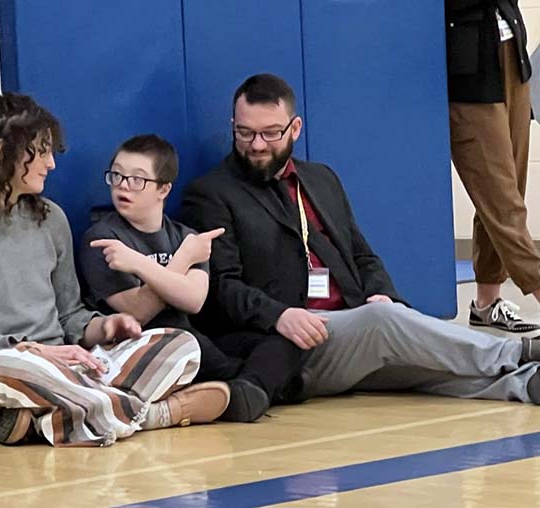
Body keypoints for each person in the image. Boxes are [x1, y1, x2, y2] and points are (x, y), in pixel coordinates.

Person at [180, 73, 540, 406]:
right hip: (293, 342)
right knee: (383, 322)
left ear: (295, 128)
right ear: (233, 127)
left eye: (270, 133)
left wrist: (384, 295)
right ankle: (516, 353)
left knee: (430, 370)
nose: (257, 144)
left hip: (353, 328)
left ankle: (525, 384)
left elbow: (362, 256)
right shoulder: (211, 194)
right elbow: (221, 287)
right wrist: (280, 316)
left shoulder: (321, 178)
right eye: (245, 133)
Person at [0, 93, 230, 447]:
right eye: (41, 151)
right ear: (4, 151)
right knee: (17, 369)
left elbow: (70, 315)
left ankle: (43, 422)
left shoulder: (51, 218)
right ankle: (153, 415)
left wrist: (104, 327)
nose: (51, 164)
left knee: (180, 346)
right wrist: (30, 350)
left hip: (65, 369)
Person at [78, 134, 272, 423]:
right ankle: (243, 395)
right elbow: (136, 312)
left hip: (189, 337)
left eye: (137, 179)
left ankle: (247, 392)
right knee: (221, 364)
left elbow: (193, 300)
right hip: (137, 347)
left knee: (270, 342)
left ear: (163, 189)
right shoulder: (104, 238)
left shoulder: (184, 236)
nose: (122, 185)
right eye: (116, 175)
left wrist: (141, 265)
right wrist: (180, 259)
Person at [446, 0, 540, 332]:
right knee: (501, 200)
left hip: (512, 57)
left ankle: (487, 303)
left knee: (510, 188)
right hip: (470, 71)